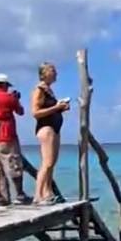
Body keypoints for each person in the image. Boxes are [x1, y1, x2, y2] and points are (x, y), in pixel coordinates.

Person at [0, 74, 32, 206]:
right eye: (6, 86)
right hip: (6, 135)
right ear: (3, 84)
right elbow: (20, 111)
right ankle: (20, 195)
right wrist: (16, 99)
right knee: (14, 164)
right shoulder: (8, 97)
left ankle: (0, 197)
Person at [30, 62, 70, 205]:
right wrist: (56, 107)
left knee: (52, 163)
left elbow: (50, 108)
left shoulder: (49, 90)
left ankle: (47, 193)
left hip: (54, 127)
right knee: (46, 163)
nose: (56, 73)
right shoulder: (39, 90)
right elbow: (35, 113)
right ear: (45, 73)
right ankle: (38, 196)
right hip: (46, 128)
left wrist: (60, 108)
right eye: (53, 70)